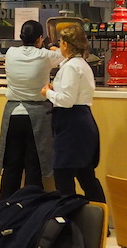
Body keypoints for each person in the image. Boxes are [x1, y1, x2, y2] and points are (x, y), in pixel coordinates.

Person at [0, 20, 64, 199]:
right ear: (40, 38)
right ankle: (31, 212)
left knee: (11, 168)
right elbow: (67, 55)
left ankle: (4, 209)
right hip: (37, 116)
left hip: (13, 115)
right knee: (34, 167)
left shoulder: (11, 53)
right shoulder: (45, 56)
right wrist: (54, 48)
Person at [41, 23, 106, 203]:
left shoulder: (70, 67)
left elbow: (67, 100)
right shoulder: (81, 64)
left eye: (61, 41)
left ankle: (68, 218)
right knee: (85, 175)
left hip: (73, 126)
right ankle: (100, 219)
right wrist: (57, 90)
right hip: (82, 122)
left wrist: (48, 93)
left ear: (66, 45)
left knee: (63, 175)